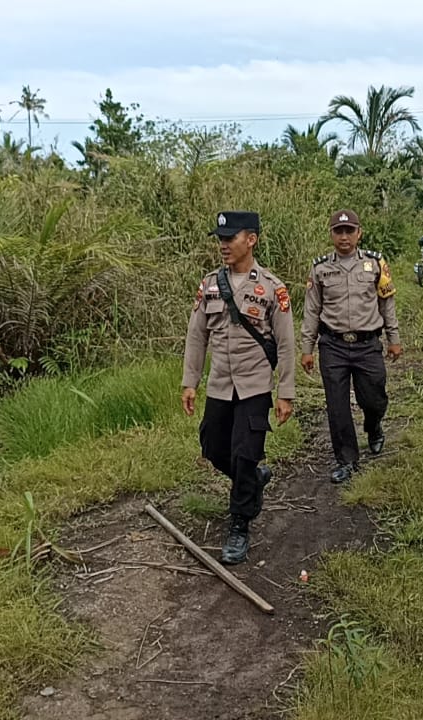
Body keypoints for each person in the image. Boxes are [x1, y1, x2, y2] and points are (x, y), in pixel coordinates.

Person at [181, 210, 296, 565]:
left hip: (254, 386)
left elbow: (286, 342)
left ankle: (239, 524)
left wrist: (285, 392)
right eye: (220, 239)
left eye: (230, 238)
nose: (223, 245)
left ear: (251, 240)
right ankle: (253, 480)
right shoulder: (210, 285)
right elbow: (197, 336)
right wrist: (190, 381)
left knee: (245, 454)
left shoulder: (272, 288)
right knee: (213, 447)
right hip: (219, 385)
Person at [300, 209, 402, 484]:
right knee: (337, 406)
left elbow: (386, 302)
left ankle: (374, 426)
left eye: (349, 231)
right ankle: (347, 460)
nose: (344, 237)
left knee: (374, 397)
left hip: (368, 345)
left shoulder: (375, 263)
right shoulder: (320, 268)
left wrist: (393, 339)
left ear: (359, 233)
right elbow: (312, 309)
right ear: (331, 234)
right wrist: (307, 348)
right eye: (338, 231)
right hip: (332, 345)